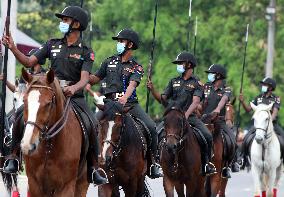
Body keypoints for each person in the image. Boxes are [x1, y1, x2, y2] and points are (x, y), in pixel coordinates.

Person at [2, 6, 107, 185]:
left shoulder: (85, 51)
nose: (62, 23)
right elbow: (29, 61)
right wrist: (13, 47)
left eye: (65, 20)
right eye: (63, 20)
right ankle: (13, 157)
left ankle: (93, 167)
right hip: (51, 92)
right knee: (20, 114)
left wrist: (74, 89)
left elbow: (84, 79)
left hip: (74, 97)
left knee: (92, 123)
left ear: (76, 24)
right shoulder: (52, 44)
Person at [89, 28, 163, 178]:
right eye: (118, 41)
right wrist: (82, 75)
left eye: (121, 41)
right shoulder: (108, 61)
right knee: (92, 125)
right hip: (109, 104)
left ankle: (154, 163)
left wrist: (124, 98)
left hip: (129, 105)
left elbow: (132, 85)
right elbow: (95, 78)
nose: (118, 44)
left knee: (151, 127)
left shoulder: (137, 67)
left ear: (130, 44)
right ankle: (90, 163)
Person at [147, 51, 217, 176]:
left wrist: (185, 115)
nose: (178, 65)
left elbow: (195, 102)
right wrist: (153, 90)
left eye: (180, 63)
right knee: (156, 133)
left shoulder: (196, 84)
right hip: (173, 118)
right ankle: (156, 162)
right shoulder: (173, 81)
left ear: (189, 65)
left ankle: (206, 164)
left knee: (207, 135)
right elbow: (163, 100)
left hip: (189, 117)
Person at [202, 64, 240, 178]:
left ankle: (230, 164)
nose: (209, 76)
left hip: (220, 121)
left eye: (211, 74)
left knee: (232, 139)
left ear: (218, 76)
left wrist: (218, 109)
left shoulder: (226, 89)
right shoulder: (206, 87)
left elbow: (224, 99)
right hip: (204, 120)